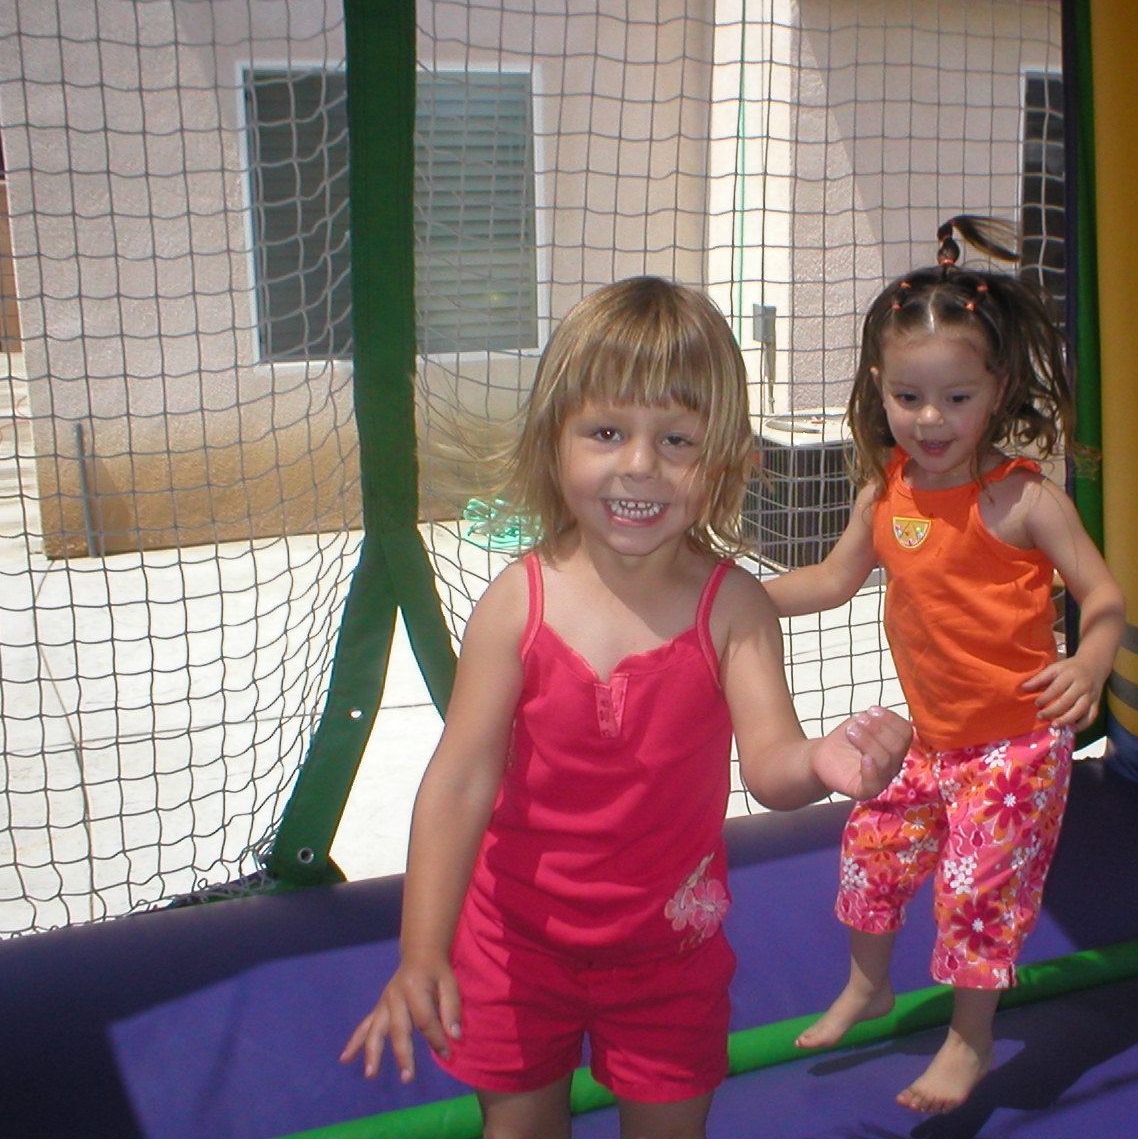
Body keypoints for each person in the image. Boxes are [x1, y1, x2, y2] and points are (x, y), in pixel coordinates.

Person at [341, 276, 912, 1139]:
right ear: (554, 441)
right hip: (513, 944)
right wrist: (422, 952)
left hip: (668, 956)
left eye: (677, 440)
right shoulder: (518, 604)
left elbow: (771, 766)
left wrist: (823, 762)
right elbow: (459, 782)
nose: (640, 464)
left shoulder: (733, 609)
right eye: (607, 433)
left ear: (724, 461)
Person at [765, 217, 1126, 1115]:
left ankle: (971, 1039)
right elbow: (831, 581)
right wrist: (734, 595)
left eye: (957, 398)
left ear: (997, 390)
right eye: (909, 396)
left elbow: (1106, 597)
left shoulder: (1022, 499)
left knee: (974, 892)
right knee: (870, 852)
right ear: (878, 389)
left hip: (1016, 746)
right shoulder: (885, 491)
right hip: (932, 739)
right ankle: (868, 986)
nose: (931, 420)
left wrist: (1090, 660)